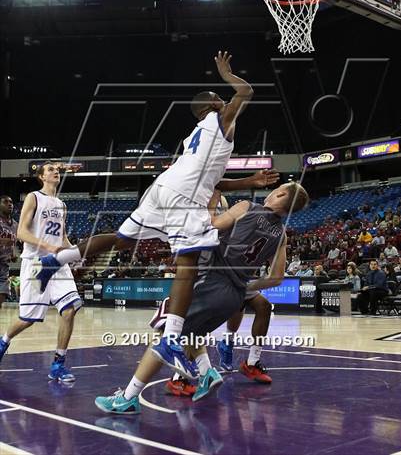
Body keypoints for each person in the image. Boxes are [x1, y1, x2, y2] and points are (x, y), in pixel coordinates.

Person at [33, 51, 270, 377]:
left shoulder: (193, 137)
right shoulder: (219, 121)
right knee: (187, 264)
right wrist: (227, 74)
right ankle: (173, 337)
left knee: (120, 239)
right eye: (218, 99)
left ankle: (57, 259)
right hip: (185, 197)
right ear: (210, 107)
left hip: (163, 189)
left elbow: (214, 178)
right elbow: (246, 93)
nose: (223, 101)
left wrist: (250, 180)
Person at [94, 181, 309, 413]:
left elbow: (213, 224)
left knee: (166, 333)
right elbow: (276, 278)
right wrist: (244, 284)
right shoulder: (282, 235)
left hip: (211, 281)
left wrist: (214, 199)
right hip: (234, 296)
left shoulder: (247, 206)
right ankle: (205, 372)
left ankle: (128, 397)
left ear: (280, 193)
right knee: (189, 334)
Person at [0, 162, 82, 382]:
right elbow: (21, 233)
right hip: (37, 263)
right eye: (50, 169)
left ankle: (58, 364)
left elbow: (62, 237)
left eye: (57, 169)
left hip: (58, 262)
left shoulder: (62, 204)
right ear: (41, 177)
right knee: (28, 318)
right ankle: (4, 341)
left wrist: (73, 252)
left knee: (71, 307)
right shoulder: (34, 197)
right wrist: (48, 246)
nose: (56, 171)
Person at [0, 195, 18, 308]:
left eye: (11, 202)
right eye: (5, 202)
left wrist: (12, 254)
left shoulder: (15, 224)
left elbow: (12, 243)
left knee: (1, 297)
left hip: (4, 265)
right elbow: (7, 241)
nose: (9, 204)